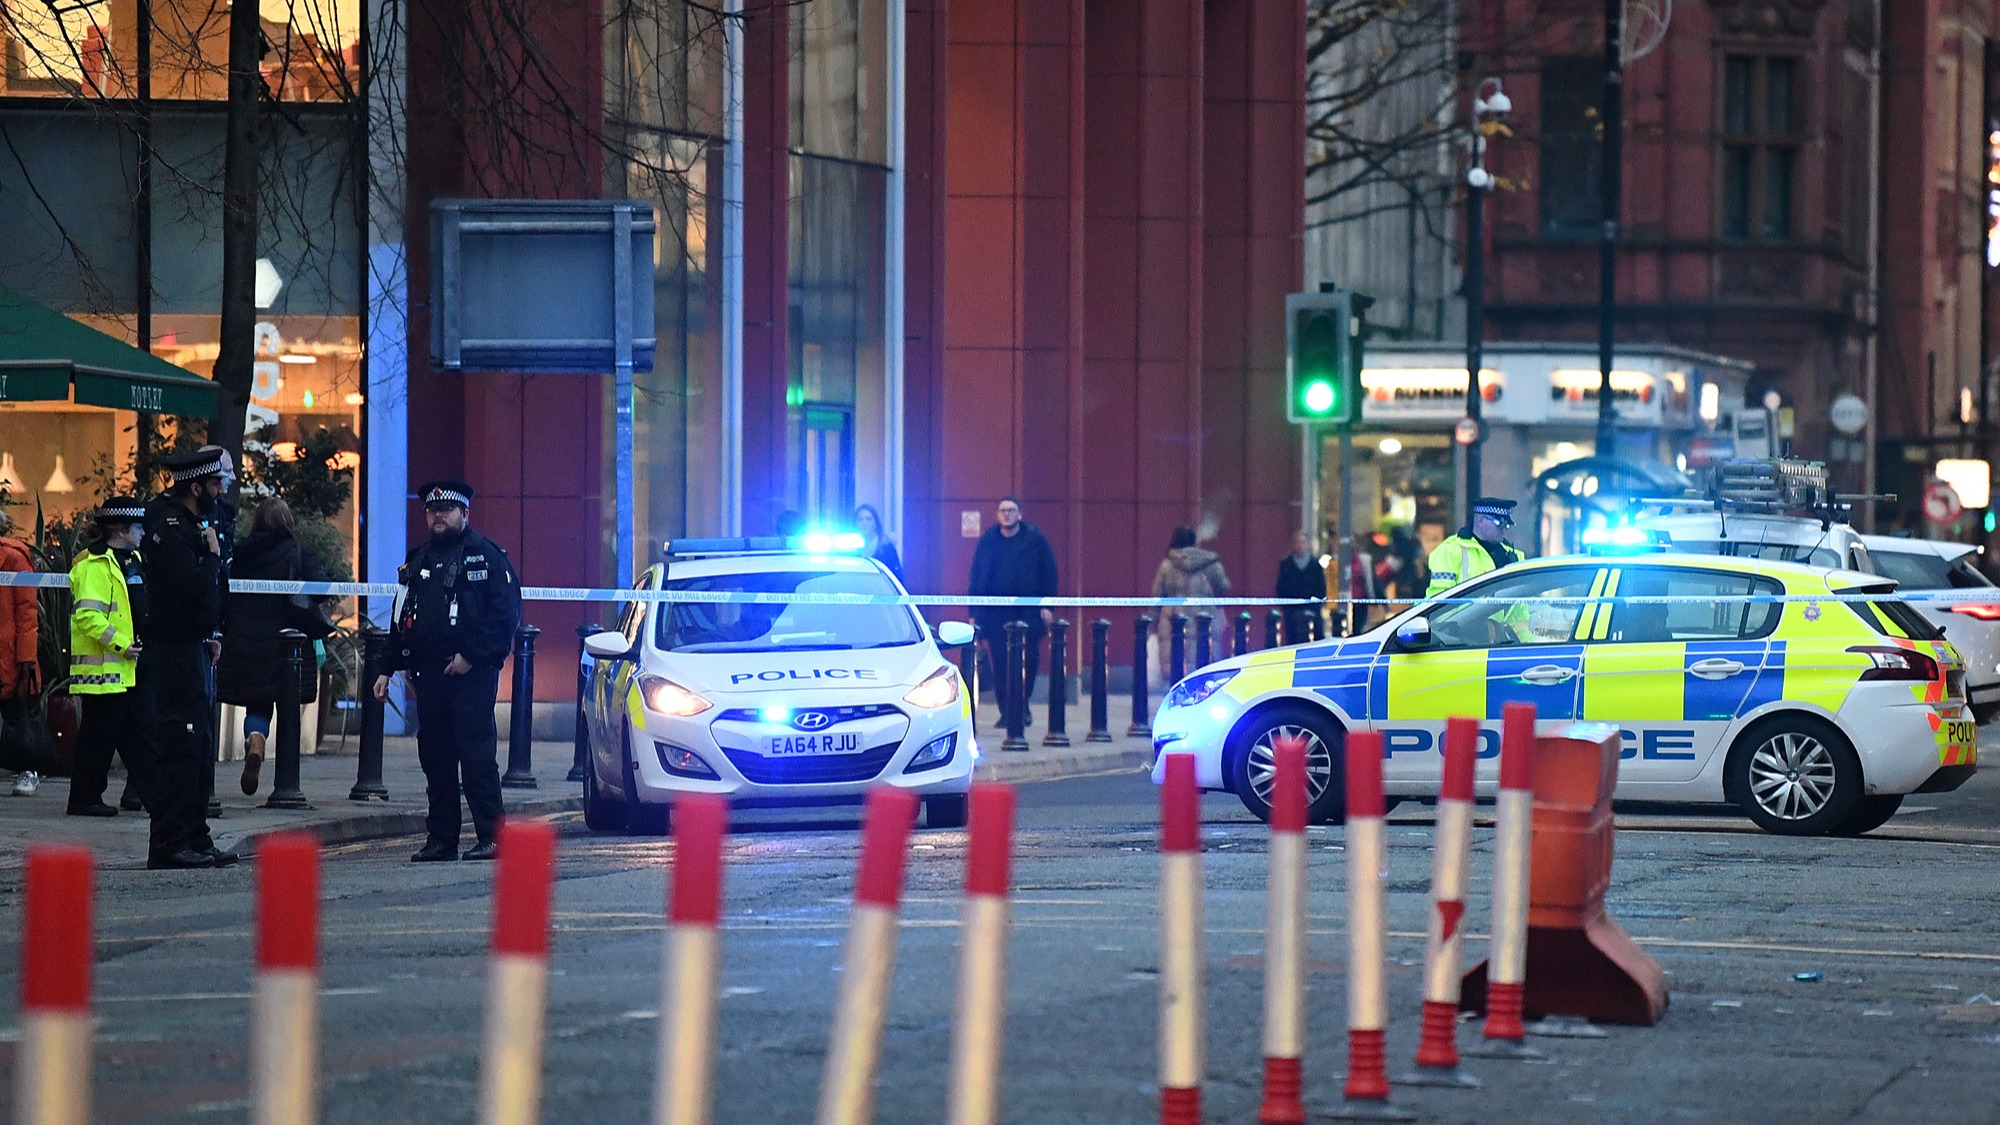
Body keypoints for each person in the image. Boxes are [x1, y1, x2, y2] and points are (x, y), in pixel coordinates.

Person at [373, 481, 521, 862]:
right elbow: (400, 617)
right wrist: (388, 668)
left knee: (476, 757)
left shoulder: (486, 557)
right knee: (435, 759)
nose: (438, 516)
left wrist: (470, 657)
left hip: (471, 675)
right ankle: (442, 839)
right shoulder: (417, 561)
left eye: (447, 509)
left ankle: (492, 835)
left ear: (465, 514)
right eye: (432, 510)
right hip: (429, 677)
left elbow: (504, 617)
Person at [140, 449, 236, 869]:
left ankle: (196, 837)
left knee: (198, 747)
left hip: (193, 647)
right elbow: (192, 595)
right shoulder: (171, 530)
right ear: (195, 488)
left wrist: (212, 632)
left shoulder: (191, 524)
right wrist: (212, 557)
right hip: (174, 651)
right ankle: (169, 843)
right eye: (215, 485)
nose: (221, 492)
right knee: (180, 745)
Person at [216, 498, 330, 796]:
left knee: (257, 703)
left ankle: (256, 740)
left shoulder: (240, 553)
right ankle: (286, 786)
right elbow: (321, 588)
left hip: (245, 642)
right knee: (288, 704)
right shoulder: (299, 552)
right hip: (286, 642)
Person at [65, 499, 150, 818]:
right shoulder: (94, 566)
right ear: (121, 530)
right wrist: (121, 645)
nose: (143, 533)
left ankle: (139, 794)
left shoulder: (132, 559)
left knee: (122, 734)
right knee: (97, 739)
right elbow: (88, 617)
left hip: (124, 668)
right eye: (138, 527)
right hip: (101, 672)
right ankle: (84, 799)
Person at [966, 496, 1058, 729]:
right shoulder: (988, 541)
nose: (1007, 514)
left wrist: (1047, 605)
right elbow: (976, 576)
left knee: (1029, 661)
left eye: (1011, 510)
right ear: (998, 515)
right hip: (996, 615)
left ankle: (1022, 706)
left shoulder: (1035, 540)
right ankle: (1007, 711)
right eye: (1003, 510)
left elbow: (1049, 572)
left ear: (1020, 514)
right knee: (1000, 662)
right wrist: (974, 612)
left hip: (1027, 612)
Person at [0, 510, 40, 796]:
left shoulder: (14, 557)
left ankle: (29, 770)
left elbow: (27, 611)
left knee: (17, 713)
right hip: (9, 647)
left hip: (9, 650)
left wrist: (27, 656)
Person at [1152, 526, 1230, 661]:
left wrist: (1152, 621)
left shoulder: (1167, 565)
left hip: (1173, 619)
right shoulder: (1210, 564)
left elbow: (1157, 595)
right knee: (1205, 659)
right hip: (1205, 616)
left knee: (1176, 662)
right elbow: (1224, 587)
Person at [1426, 497, 1524, 596]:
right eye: (1499, 524)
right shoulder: (1450, 551)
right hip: (1466, 612)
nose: (1504, 529)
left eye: (1507, 525)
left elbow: (1520, 605)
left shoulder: (1514, 554)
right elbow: (1438, 599)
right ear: (1481, 521)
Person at [1274, 530, 1324, 646]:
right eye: (1297, 542)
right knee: (1293, 639)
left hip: (1312, 608)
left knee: (1316, 637)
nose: (1300, 545)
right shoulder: (1286, 564)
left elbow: (1321, 586)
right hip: (1292, 609)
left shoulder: (1315, 565)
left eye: (1302, 542)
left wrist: (1317, 603)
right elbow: (1281, 587)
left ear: (1307, 544)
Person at [853, 503, 904, 584]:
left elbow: (897, 578)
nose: (864, 523)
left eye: (869, 519)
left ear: (875, 523)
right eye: (860, 519)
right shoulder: (851, 548)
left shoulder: (886, 548)